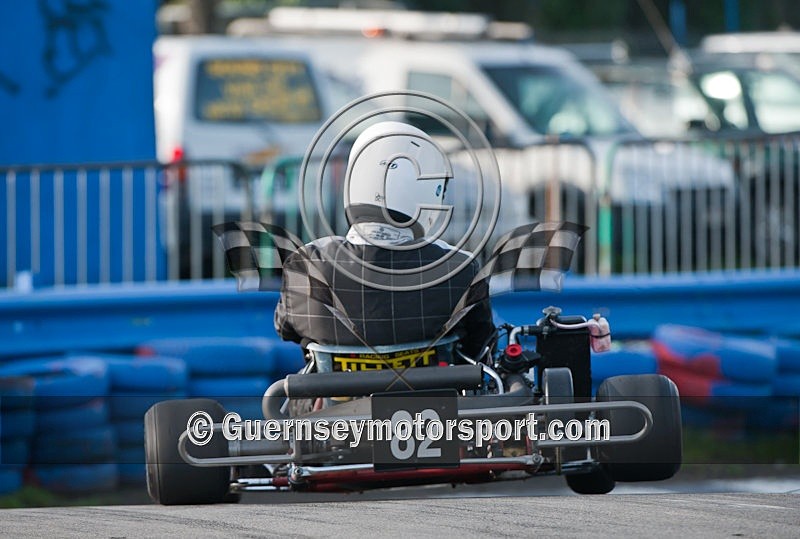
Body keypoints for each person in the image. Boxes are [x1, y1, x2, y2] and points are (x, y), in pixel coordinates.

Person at [274, 121, 494, 362]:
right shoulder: (459, 268)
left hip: (335, 398)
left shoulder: (308, 264)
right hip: (433, 398)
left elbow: (286, 329)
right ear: (426, 189)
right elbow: (479, 343)